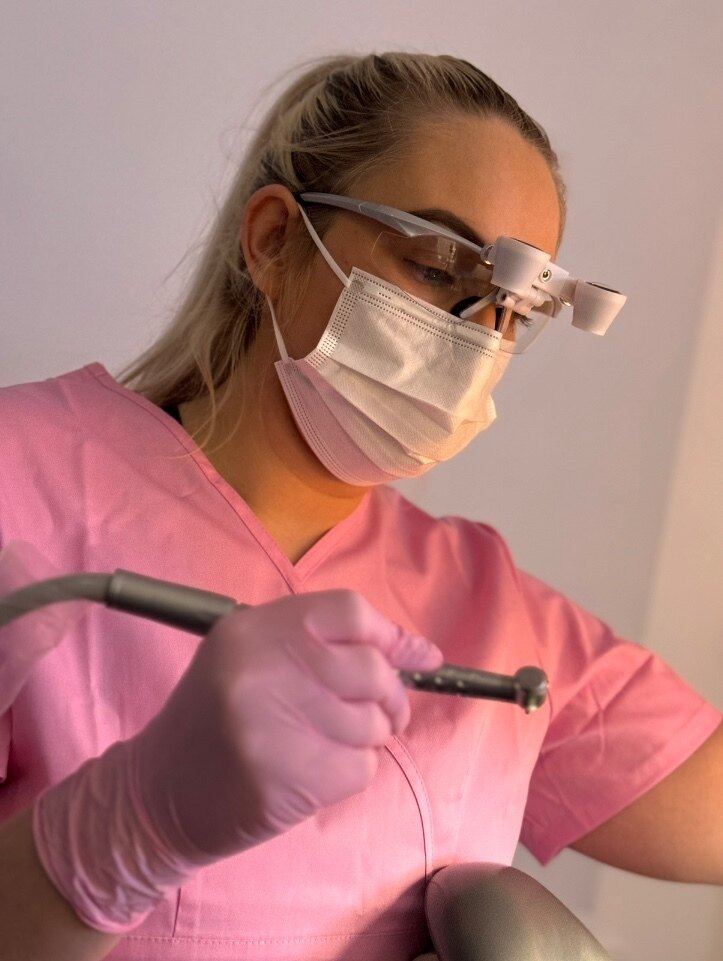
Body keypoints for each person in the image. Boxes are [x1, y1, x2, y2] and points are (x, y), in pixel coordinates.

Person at [0, 52, 720, 961]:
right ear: (273, 240)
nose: (478, 334)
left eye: (516, 307)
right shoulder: (21, 479)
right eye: (440, 265)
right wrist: (119, 829)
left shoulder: (488, 608)